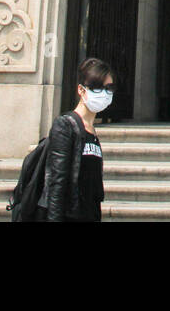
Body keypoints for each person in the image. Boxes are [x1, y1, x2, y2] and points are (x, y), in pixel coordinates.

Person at [44, 57, 111, 222]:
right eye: (97, 87)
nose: (104, 93)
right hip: (70, 215)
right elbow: (57, 182)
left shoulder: (92, 131)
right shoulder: (65, 126)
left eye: (109, 87)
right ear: (81, 90)